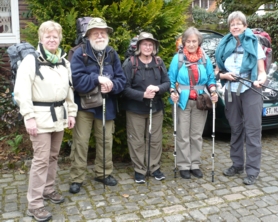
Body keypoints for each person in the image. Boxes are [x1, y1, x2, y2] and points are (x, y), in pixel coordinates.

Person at [14, 21, 77, 221]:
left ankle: (48, 189)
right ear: (41, 38)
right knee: (41, 160)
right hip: (39, 118)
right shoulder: (31, 61)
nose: (52, 39)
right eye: (48, 36)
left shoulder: (63, 62)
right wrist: (29, 117)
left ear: (59, 39)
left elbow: (69, 91)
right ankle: (35, 203)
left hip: (59, 117)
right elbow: (21, 91)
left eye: (55, 36)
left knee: (53, 156)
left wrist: (72, 113)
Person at [69, 17, 126, 193]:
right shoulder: (79, 53)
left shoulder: (111, 53)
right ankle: (77, 178)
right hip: (84, 106)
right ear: (88, 35)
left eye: (103, 32)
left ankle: (103, 173)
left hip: (106, 105)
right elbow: (75, 80)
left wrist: (112, 85)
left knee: (106, 141)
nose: (100, 36)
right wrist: (97, 79)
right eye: (96, 33)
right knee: (80, 142)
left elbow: (121, 80)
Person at [215, 11, 266, 185]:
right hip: (230, 89)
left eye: (238, 23)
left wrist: (260, 81)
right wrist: (224, 76)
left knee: (252, 130)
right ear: (229, 27)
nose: (235, 26)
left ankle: (252, 171)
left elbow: (262, 72)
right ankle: (237, 164)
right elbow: (217, 71)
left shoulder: (254, 43)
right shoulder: (224, 44)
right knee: (235, 129)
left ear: (245, 26)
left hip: (250, 89)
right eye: (232, 24)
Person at [168, 27, 218, 180]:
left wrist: (214, 90)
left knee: (196, 135)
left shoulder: (205, 58)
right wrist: (172, 92)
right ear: (184, 42)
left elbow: (210, 78)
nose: (191, 44)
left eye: (194, 41)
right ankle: (183, 165)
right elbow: (171, 80)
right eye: (188, 41)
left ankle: (194, 164)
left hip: (200, 101)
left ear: (198, 42)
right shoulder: (178, 58)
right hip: (183, 101)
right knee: (183, 134)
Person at [122, 32, 170, 183]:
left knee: (155, 139)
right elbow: (124, 88)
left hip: (155, 109)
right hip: (135, 109)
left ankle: (154, 168)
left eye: (150, 44)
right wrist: (142, 95)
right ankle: (139, 170)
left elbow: (167, 83)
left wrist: (157, 89)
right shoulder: (130, 64)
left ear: (154, 46)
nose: (148, 47)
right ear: (138, 46)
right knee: (136, 141)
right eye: (145, 44)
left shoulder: (158, 62)